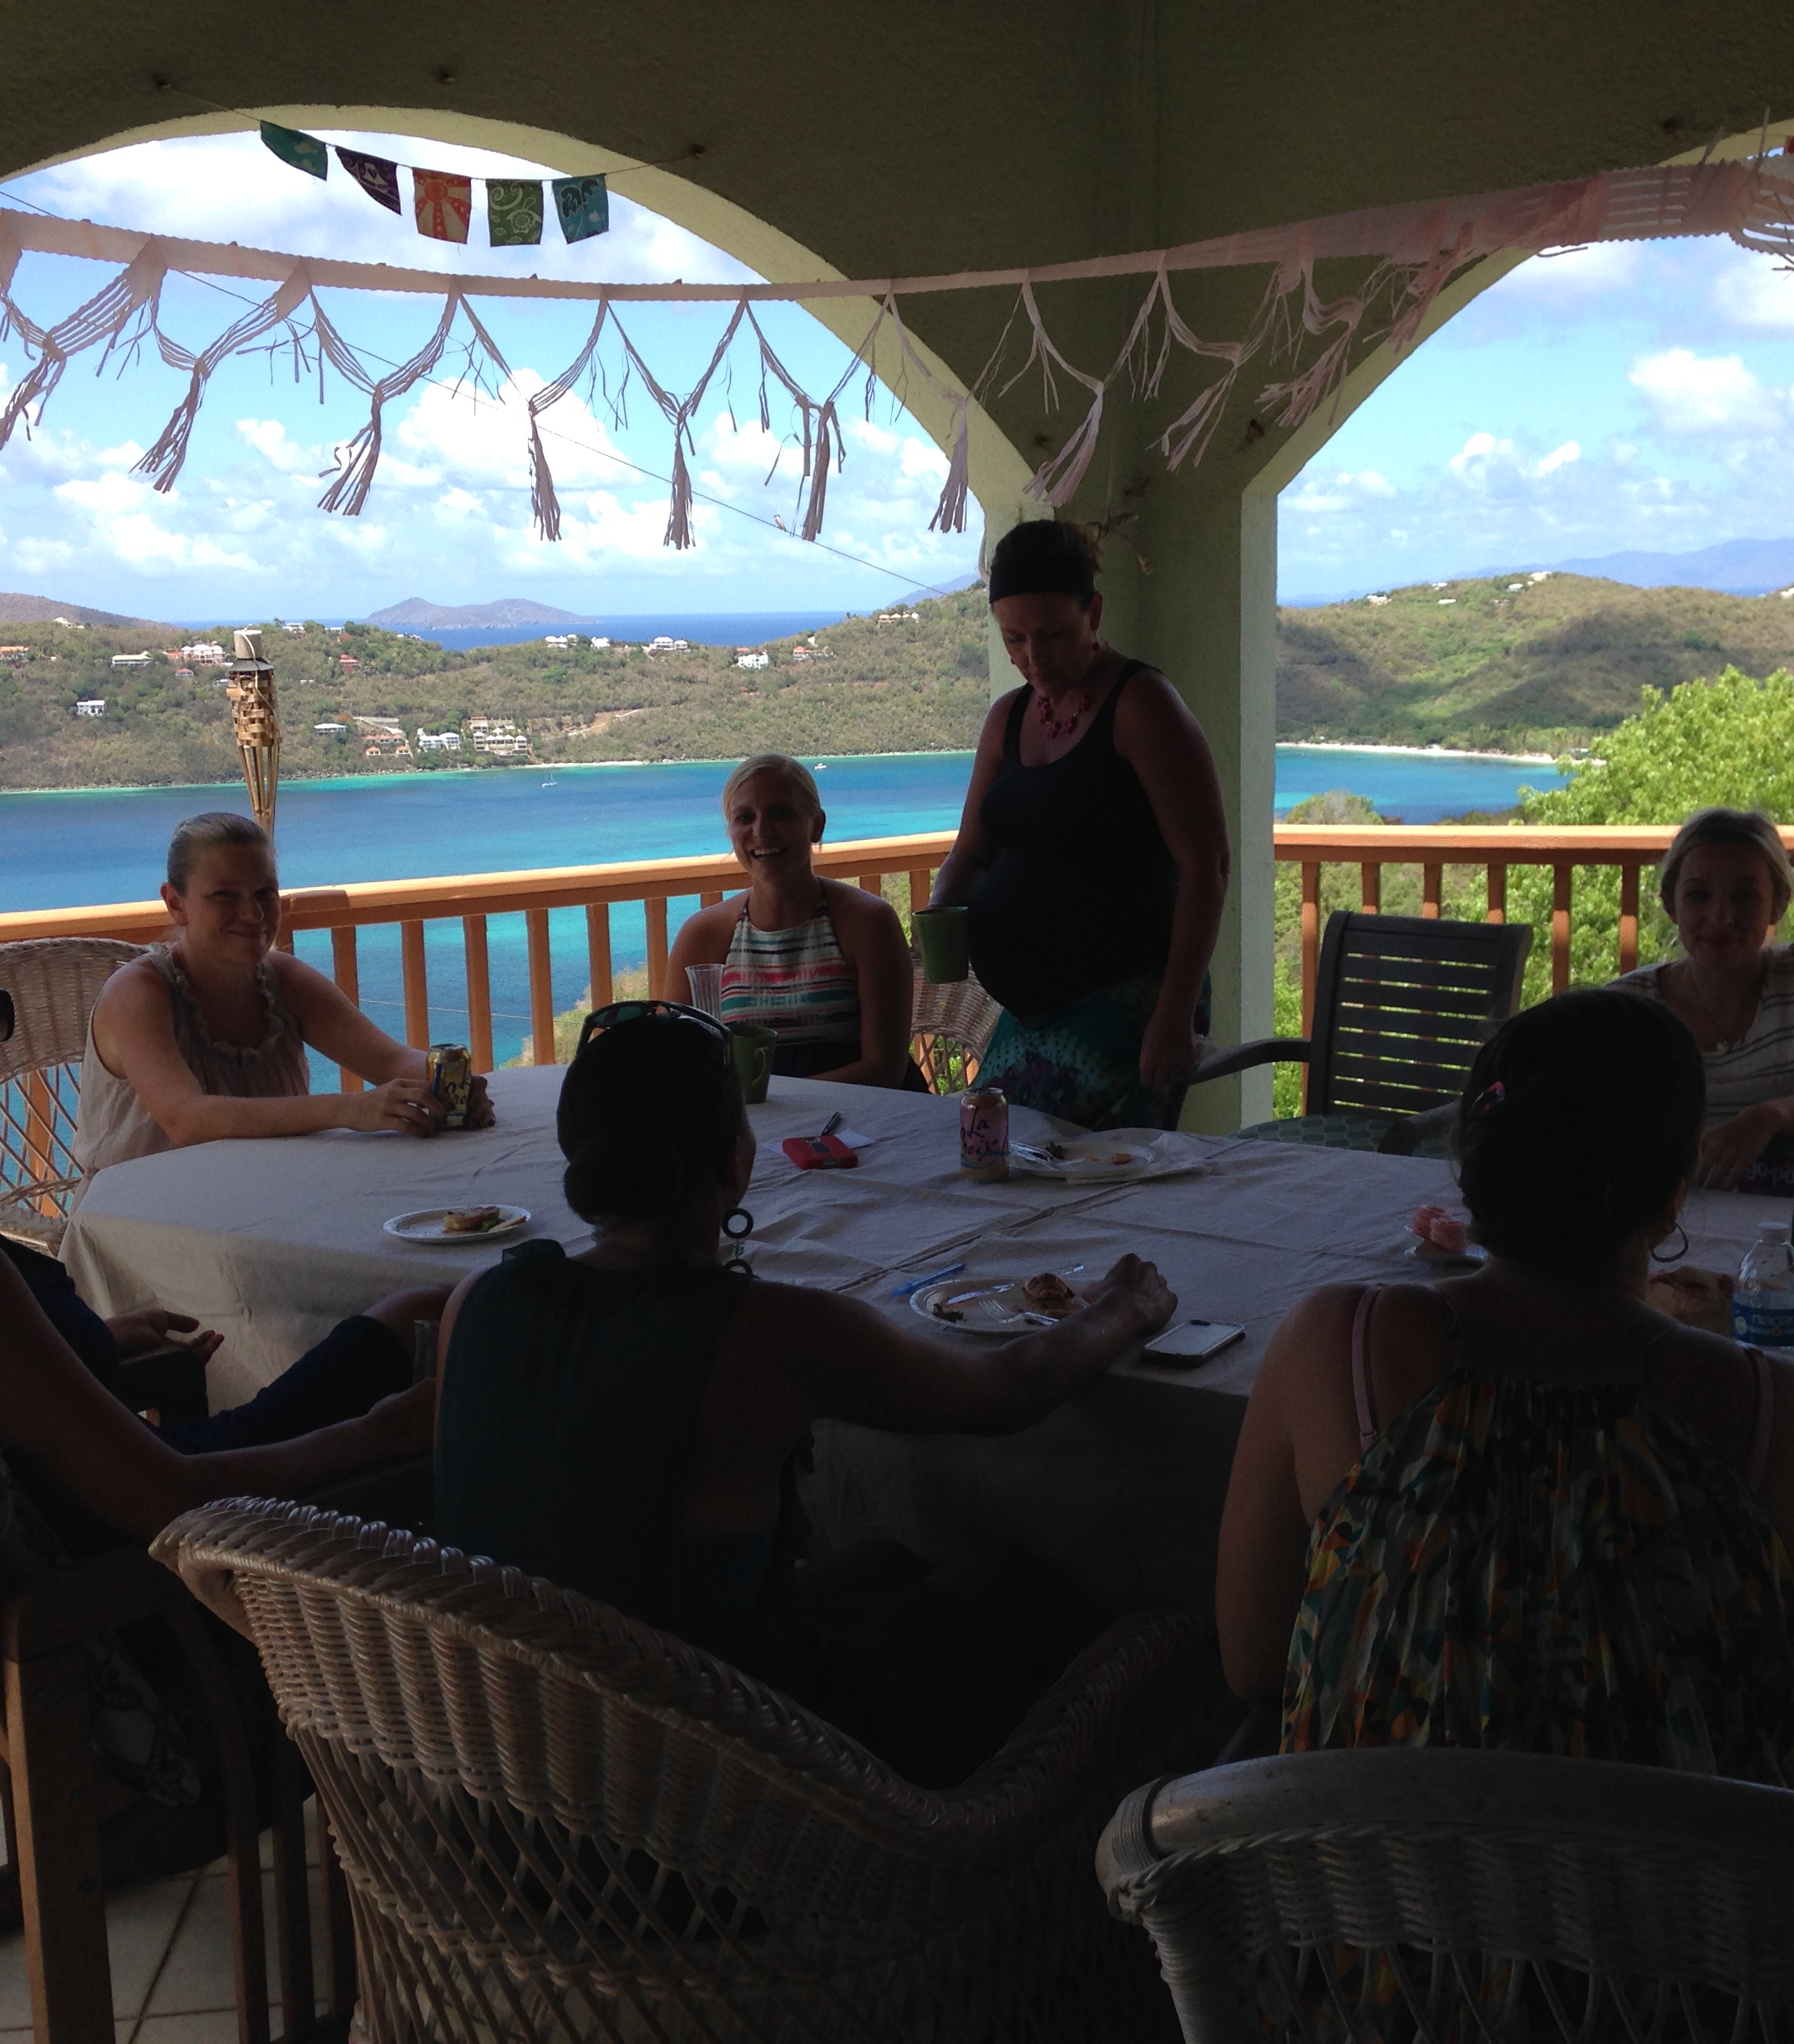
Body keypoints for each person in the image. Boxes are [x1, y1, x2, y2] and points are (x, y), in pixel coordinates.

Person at [432, 999, 1177, 1783]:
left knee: (887, 1563)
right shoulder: (761, 1334)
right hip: (726, 1775)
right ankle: (1017, 1843)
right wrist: (1122, 1308)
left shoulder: (474, 1304)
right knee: (1025, 1588)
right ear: (737, 1165)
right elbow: (1006, 1390)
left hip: (510, 1754)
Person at [1214, 988, 1794, 1794]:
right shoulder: (1781, 1417)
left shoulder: (1335, 1347)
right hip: (1685, 1878)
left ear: (1476, 1161)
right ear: (1673, 1197)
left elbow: (1254, 1666)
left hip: (1374, 1867)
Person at [0, 910, 440, 1549]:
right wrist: (384, 1433)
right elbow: (170, 1497)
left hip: (65, 1530)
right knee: (437, 1319)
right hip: (154, 1571)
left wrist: (81, 1341)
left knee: (417, 1314)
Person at [928, 519, 1231, 1131]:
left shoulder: (1141, 704)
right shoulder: (1008, 717)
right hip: (1029, 1016)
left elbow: (1207, 866)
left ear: (1093, 613)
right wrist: (939, 915)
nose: (1033, 659)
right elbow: (971, 853)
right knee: (992, 1150)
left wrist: (1174, 1018)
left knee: (1084, 1174)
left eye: (1052, 635)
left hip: (1128, 1001)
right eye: (1014, 640)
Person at [76, 810, 490, 1175]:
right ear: (175, 904)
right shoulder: (138, 992)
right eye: (225, 896)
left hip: (266, 1195)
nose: (253, 914)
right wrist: (350, 1108)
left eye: (264, 893)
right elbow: (187, 1119)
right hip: (136, 1216)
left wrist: (449, 1085)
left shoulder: (283, 980)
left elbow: (390, 1061)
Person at [1612, 807, 1794, 1191]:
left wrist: (1770, 1117)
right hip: (1658, 1217)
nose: (1721, 916)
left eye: (1744, 896)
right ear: (1671, 903)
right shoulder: (1627, 1009)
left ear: (1778, 903)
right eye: (1699, 895)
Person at [661, 754, 915, 1084]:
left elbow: (885, 1069)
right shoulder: (704, 934)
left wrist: (773, 1099)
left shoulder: (868, 923)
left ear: (816, 825)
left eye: (780, 813)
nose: (761, 831)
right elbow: (671, 1058)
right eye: (744, 817)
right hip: (751, 1114)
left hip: (860, 1113)